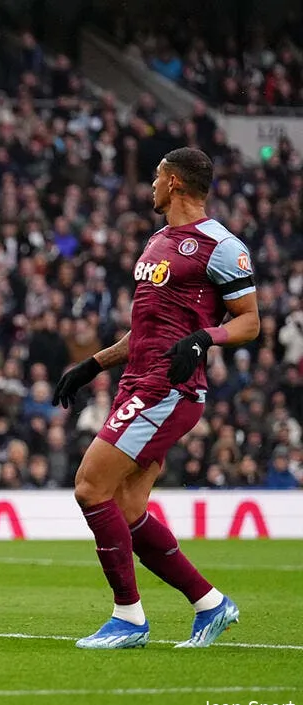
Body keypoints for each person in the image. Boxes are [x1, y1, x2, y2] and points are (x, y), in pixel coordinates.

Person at [53, 148, 259, 649]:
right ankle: (211, 604)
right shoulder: (158, 240)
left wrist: (204, 339)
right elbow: (145, 329)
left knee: (89, 487)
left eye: (155, 178)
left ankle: (128, 618)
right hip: (138, 382)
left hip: (169, 388)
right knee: (125, 508)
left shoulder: (222, 246)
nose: (150, 186)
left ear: (174, 183)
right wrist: (91, 365)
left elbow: (249, 321)